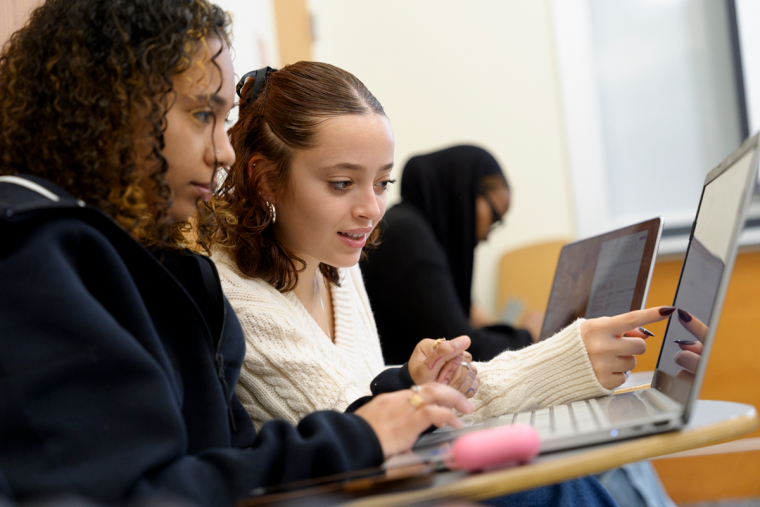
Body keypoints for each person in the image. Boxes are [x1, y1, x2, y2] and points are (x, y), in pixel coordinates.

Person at [0, 2, 478, 505]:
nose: (222, 152)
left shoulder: (157, 262)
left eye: (223, 117)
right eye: (202, 114)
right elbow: (133, 493)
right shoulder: (30, 250)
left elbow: (234, 456)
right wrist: (358, 439)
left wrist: (392, 403)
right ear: (111, 106)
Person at [205, 60, 670, 432]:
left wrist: (421, 377)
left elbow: (380, 394)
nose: (372, 208)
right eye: (343, 182)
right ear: (265, 178)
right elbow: (358, 420)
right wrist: (565, 357)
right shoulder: (234, 293)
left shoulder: (336, 264)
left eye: (382, 182)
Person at [360, 145, 539, 364]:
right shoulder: (406, 237)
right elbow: (461, 352)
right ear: (464, 187)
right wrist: (530, 335)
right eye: (494, 218)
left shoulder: (413, 230)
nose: (486, 237)